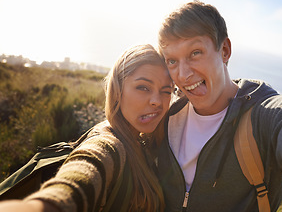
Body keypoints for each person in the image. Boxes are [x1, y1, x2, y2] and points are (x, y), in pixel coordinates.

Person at [156, 0, 282, 212]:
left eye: (195, 53)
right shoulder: (165, 116)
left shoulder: (264, 118)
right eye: (172, 61)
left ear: (224, 50)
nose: (183, 74)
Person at [0, 44, 173, 212]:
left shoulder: (143, 141)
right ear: (118, 89)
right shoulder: (108, 145)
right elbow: (75, 183)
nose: (157, 101)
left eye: (166, 91)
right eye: (143, 87)